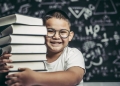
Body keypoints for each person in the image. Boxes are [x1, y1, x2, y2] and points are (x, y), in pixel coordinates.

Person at [0, 9, 85, 86]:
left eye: (63, 32)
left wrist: (34, 78)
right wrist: (4, 69)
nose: (56, 36)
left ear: (70, 36)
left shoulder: (73, 54)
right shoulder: (26, 56)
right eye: (50, 31)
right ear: (40, 33)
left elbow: (74, 77)